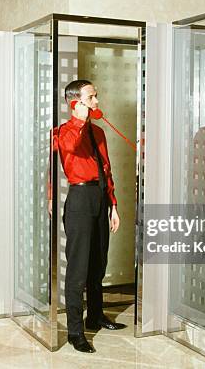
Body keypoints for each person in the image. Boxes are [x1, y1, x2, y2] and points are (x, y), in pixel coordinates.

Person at [49, 80, 124, 353]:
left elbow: (106, 168)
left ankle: (95, 315)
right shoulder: (62, 132)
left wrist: (112, 205)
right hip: (79, 198)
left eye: (96, 96)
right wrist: (80, 120)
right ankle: (74, 332)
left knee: (98, 262)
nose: (97, 102)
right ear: (76, 102)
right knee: (78, 267)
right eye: (91, 97)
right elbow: (70, 149)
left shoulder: (99, 133)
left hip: (99, 196)